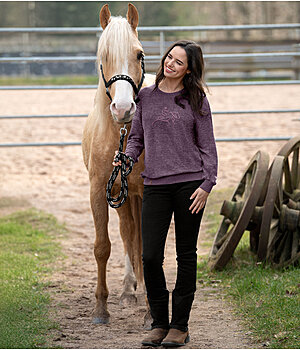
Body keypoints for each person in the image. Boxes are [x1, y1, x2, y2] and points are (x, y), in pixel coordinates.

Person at [113, 40, 218, 347]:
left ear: (189, 70)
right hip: (155, 185)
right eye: (169, 57)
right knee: (149, 256)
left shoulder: (196, 99)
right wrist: (128, 157)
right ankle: (160, 322)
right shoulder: (145, 96)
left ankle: (180, 326)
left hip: (190, 187)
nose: (170, 63)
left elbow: (207, 147)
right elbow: (137, 139)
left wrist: (207, 184)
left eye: (179, 62)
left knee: (186, 256)